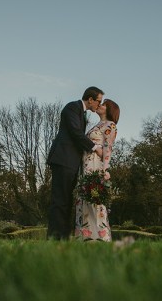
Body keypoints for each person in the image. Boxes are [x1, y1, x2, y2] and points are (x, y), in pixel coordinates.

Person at [47, 87, 104, 240]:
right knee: (60, 201)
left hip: (71, 162)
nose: (99, 105)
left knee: (66, 200)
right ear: (90, 99)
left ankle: (63, 239)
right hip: (63, 159)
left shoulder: (82, 113)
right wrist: (95, 147)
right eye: (99, 101)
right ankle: (54, 239)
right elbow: (75, 132)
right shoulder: (72, 107)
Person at [74, 99, 120, 242]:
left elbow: (108, 148)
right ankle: (83, 238)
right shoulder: (97, 125)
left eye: (104, 104)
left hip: (95, 166)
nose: (100, 105)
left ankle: (100, 238)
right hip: (85, 165)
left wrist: (104, 170)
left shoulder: (110, 125)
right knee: (83, 199)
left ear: (110, 109)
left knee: (94, 200)